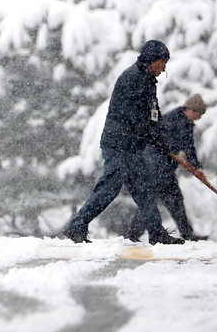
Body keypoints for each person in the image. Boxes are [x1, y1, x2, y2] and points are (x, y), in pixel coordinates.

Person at [63, 40, 185, 245]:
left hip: (133, 147)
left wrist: (162, 140)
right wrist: (151, 136)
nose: (164, 67)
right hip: (119, 145)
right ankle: (77, 226)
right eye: (162, 61)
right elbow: (133, 116)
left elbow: (153, 117)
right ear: (151, 60)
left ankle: (156, 233)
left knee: (145, 189)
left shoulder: (147, 81)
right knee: (109, 188)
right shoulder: (132, 79)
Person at [128, 94, 208, 242]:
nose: (199, 118)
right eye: (198, 114)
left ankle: (134, 234)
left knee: (158, 201)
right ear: (191, 110)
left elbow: (185, 147)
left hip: (159, 166)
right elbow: (185, 146)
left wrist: (195, 166)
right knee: (167, 200)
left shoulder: (178, 119)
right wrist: (195, 166)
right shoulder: (178, 121)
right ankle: (134, 234)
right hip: (158, 167)